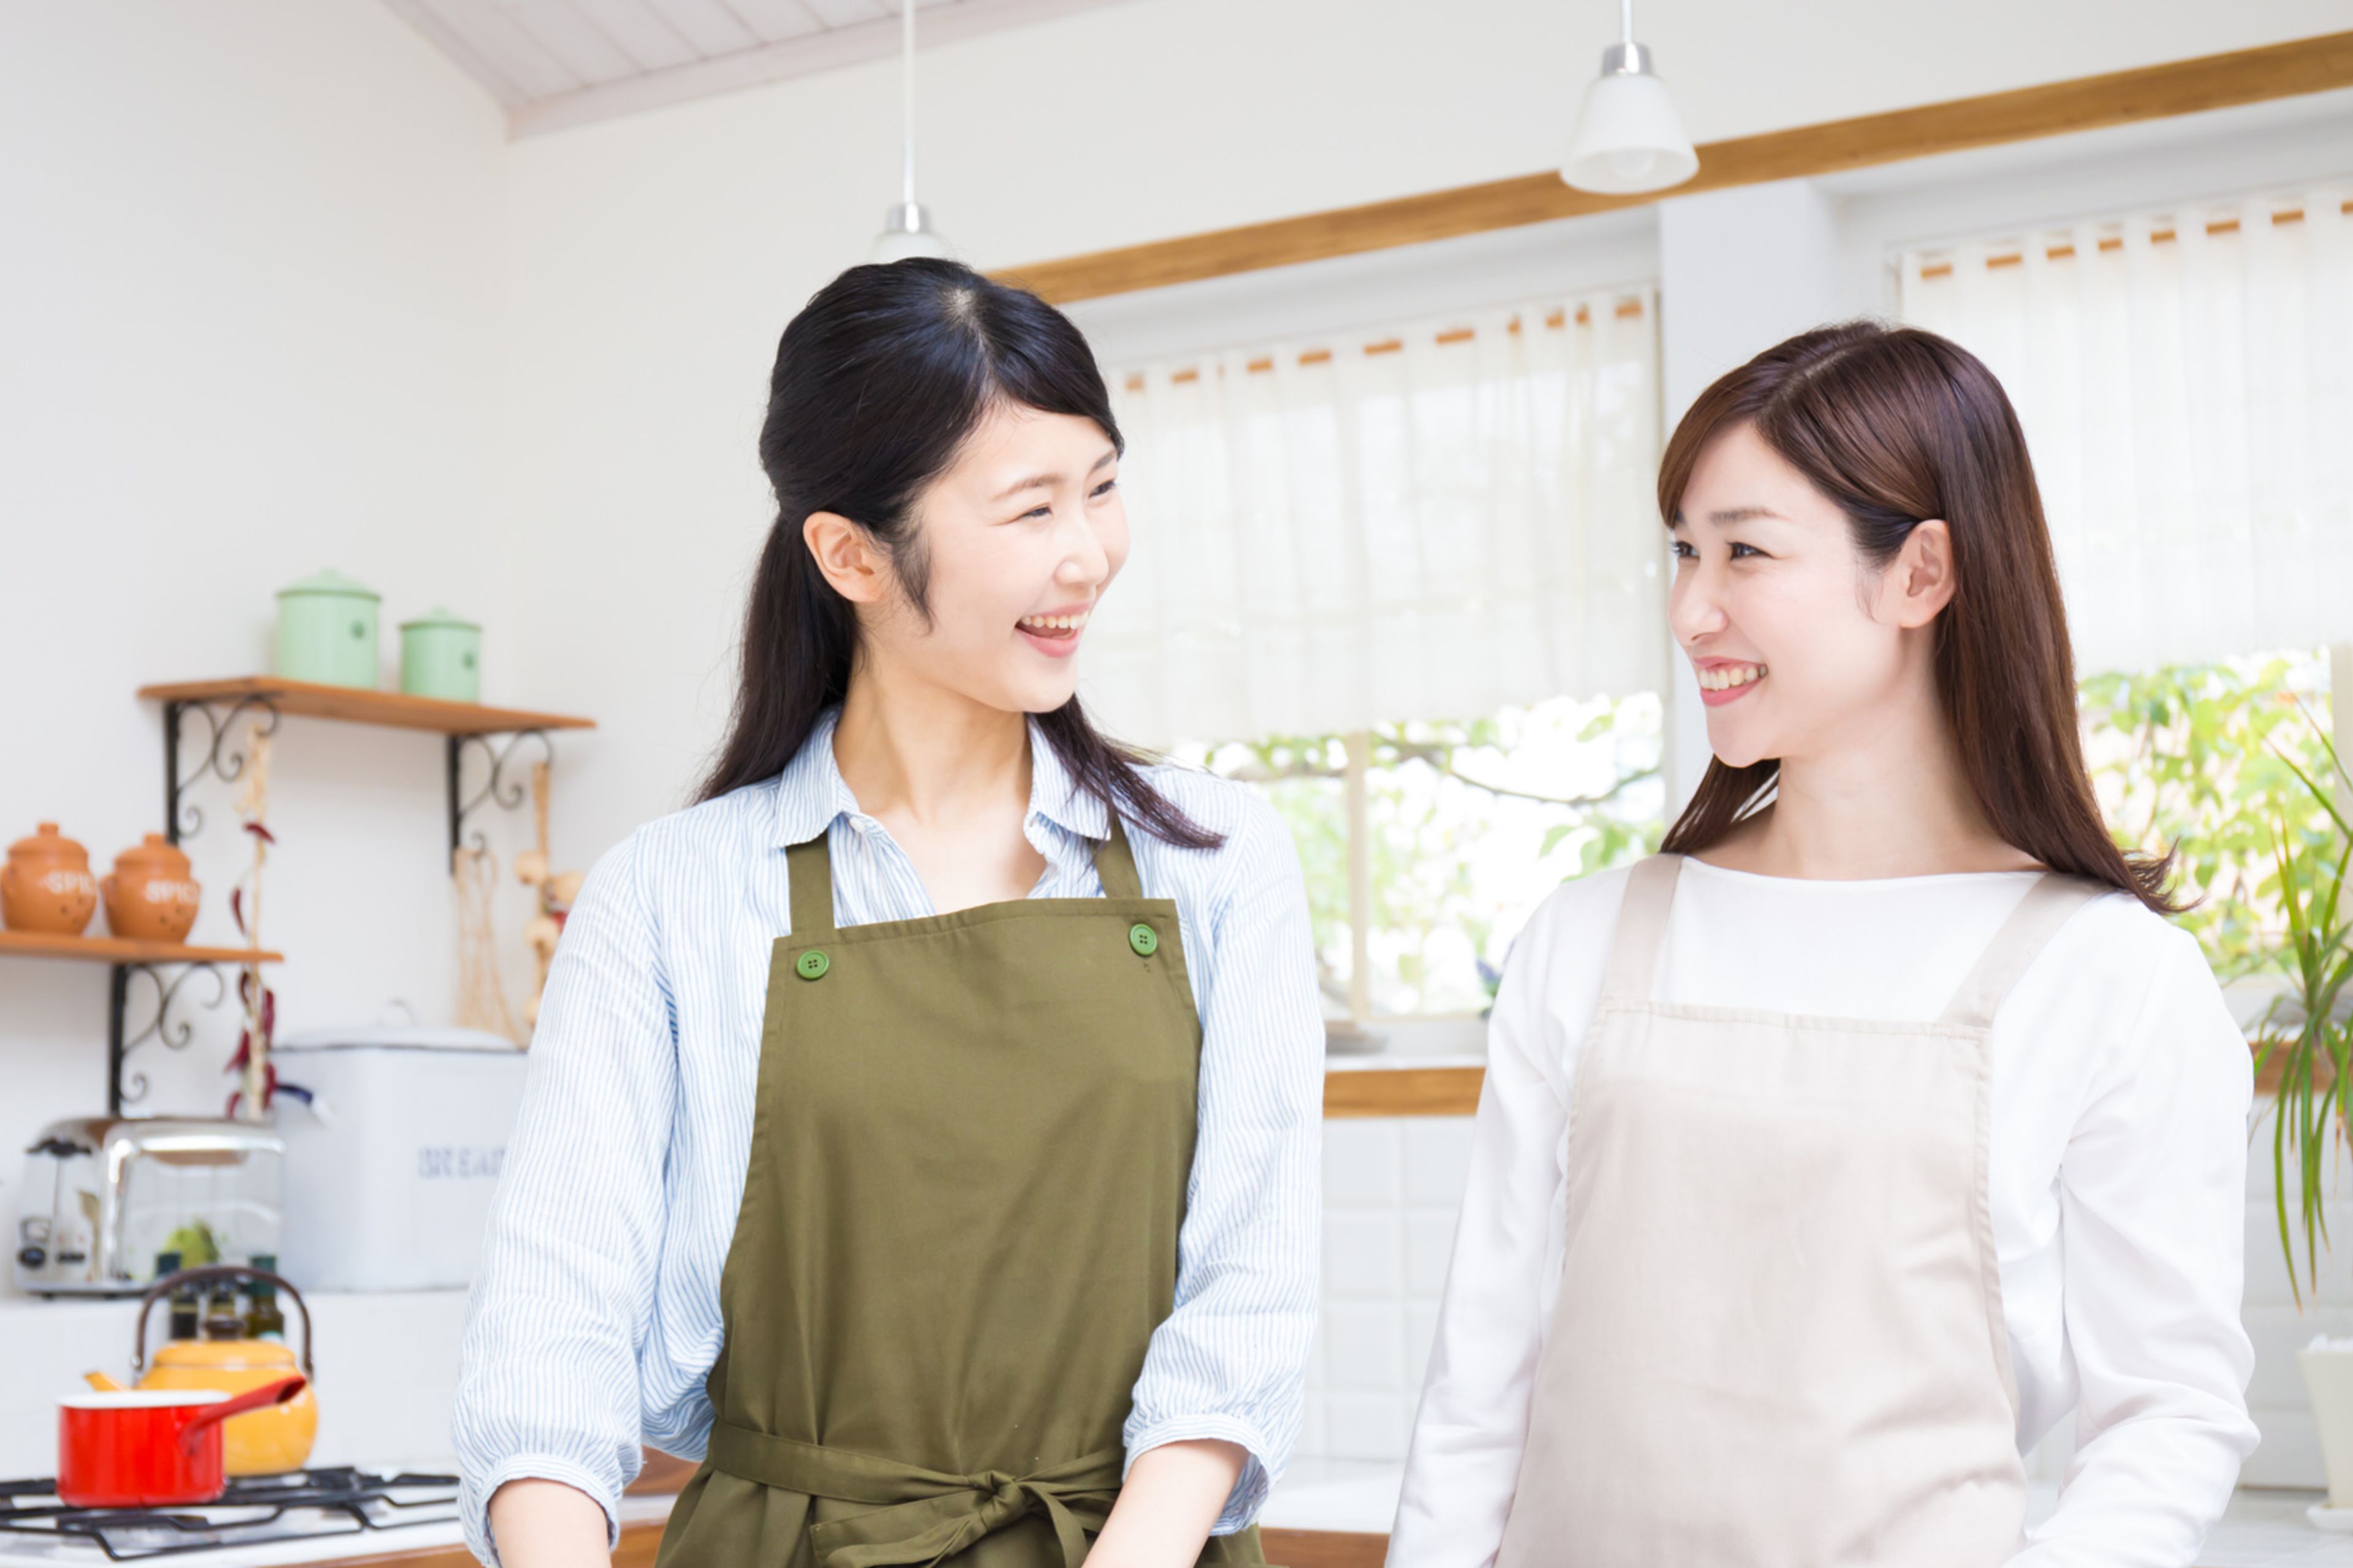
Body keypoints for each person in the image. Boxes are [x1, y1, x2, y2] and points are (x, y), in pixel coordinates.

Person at [453, 259, 1323, 1568]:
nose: (1088, 553)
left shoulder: (1216, 858)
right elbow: (550, 1325)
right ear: (851, 552)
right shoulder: (668, 893)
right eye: (1030, 508)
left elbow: (1248, 1287)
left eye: (1100, 486)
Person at [1389, 322, 2257, 1566]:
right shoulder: (1583, 940)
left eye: (1745, 550)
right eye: (1685, 551)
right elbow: (1480, 1389)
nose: (1692, 607)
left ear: (1921, 573)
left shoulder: (2111, 978)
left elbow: (2167, 1414)